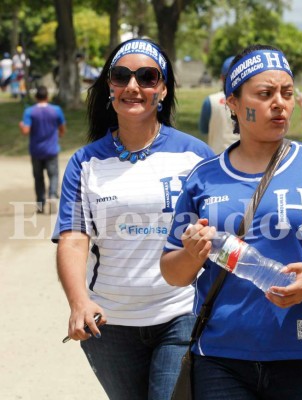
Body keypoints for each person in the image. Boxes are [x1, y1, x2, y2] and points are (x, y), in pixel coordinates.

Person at [160, 44, 302, 400]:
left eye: (287, 93)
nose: (280, 103)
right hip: (221, 358)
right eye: (264, 94)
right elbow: (173, 273)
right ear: (232, 103)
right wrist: (193, 252)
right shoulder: (203, 178)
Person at [52, 38, 214, 400]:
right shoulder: (85, 162)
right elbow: (74, 238)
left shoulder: (195, 155)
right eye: (122, 76)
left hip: (180, 314)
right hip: (108, 324)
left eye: (147, 77)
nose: (133, 86)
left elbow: (214, 236)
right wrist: (79, 302)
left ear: (163, 89)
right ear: (110, 86)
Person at [19, 85, 66, 214]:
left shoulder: (29, 111)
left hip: (36, 150)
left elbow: (25, 131)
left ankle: (40, 204)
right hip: (51, 149)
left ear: (36, 97)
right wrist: (60, 135)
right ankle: (52, 196)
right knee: (54, 175)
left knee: (38, 178)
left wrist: (21, 125)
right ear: (47, 96)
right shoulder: (56, 110)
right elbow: (62, 127)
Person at [198, 56, 238, 154]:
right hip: (245, 159)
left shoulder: (210, 101)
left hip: (216, 157)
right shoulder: (252, 101)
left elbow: (203, 129)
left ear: (222, 78)